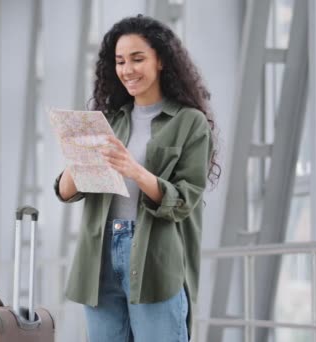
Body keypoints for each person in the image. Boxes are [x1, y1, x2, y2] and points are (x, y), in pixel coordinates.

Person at [54, 14, 221, 341]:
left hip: (155, 258)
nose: (127, 69)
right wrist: (80, 159)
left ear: (160, 60)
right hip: (98, 258)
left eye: (137, 58)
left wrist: (135, 171)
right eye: (120, 61)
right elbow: (65, 191)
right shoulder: (110, 120)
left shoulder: (190, 122)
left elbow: (185, 200)